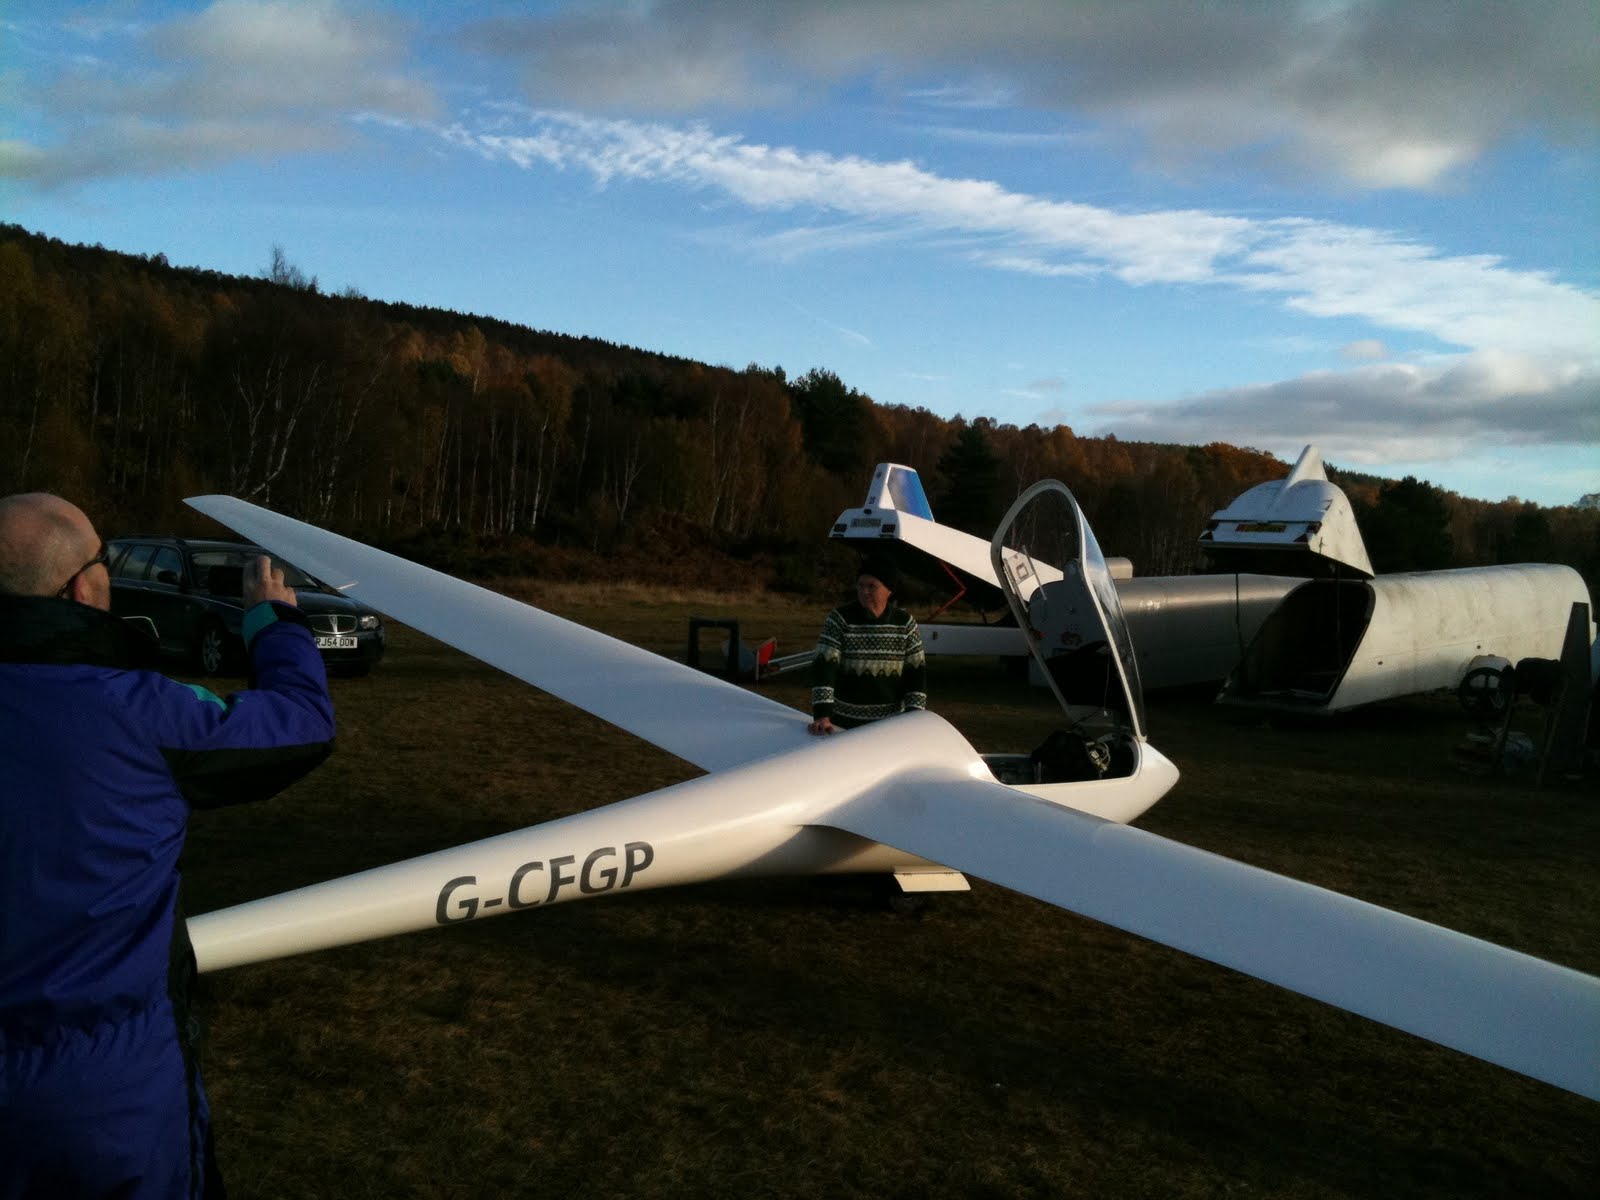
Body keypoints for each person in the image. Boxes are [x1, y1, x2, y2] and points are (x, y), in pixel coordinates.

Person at [0, 493, 336, 1199]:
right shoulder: (142, 711)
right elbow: (300, 723)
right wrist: (272, 623)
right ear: (83, 588)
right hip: (105, 1102)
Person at [808, 555, 927, 734]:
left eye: (872, 586)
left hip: (890, 725)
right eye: (861, 585)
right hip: (844, 724)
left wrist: (915, 716)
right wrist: (822, 714)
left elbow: (916, 673)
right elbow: (824, 666)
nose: (864, 591)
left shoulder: (905, 624)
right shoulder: (839, 619)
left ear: (888, 590)